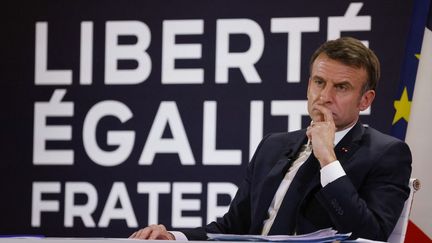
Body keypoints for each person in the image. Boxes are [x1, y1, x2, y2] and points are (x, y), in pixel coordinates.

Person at [129, 37, 412, 241]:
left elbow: (371, 235)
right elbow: (232, 228)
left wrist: (328, 158)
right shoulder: (273, 146)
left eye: (341, 87)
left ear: (365, 100)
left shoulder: (387, 153)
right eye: (318, 82)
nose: (324, 96)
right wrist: (174, 237)